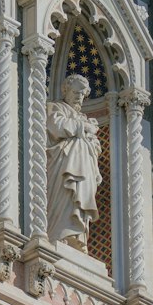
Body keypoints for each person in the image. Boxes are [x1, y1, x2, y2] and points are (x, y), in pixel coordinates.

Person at [46, 74, 102, 250]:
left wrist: (90, 137)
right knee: (65, 196)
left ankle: (77, 237)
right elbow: (56, 127)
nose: (78, 96)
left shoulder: (85, 118)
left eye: (82, 93)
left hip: (84, 166)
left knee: (80, 197)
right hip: (62, 164)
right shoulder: (55, 107)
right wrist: (83, 128)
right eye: (75, 91)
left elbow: (96, 146)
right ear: (65, 90)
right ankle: (58, 232)